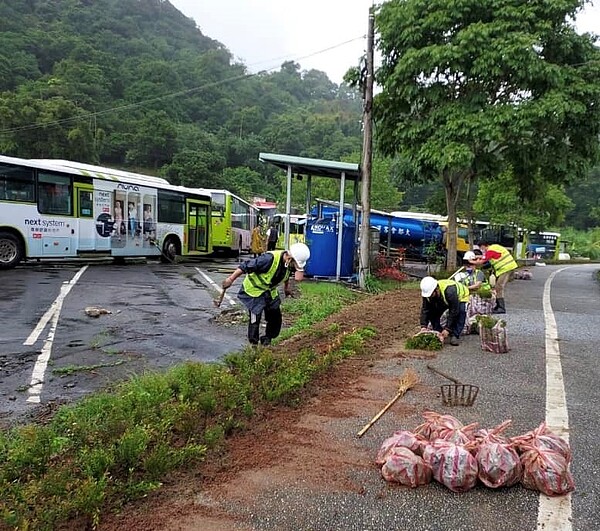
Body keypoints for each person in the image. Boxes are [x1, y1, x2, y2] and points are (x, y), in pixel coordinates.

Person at [221, 242, 311, 346]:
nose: (295, 267)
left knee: (275, 317)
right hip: (254, 290)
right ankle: (253, 344)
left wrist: (286, 289)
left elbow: (286, 275)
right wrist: (230, 279)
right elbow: (245, 266)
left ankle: (267, 339)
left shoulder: (289, 264)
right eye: (295, 264)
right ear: (289, 258)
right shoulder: (268, 259)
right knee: (255, 318)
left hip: (269, 291)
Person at [469, 240, 518, 314]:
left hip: (506, 268)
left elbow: (481, 262)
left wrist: (471, 261)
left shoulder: (490, 250)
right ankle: (498, 306)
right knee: (498, 287)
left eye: (481, 248)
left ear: (484, 245)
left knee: (499, 287)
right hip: (507, 268)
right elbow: (487, 257)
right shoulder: (494, 248)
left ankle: (501, 308)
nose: (482, 250)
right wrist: (477, 256)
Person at [419, 276, 469, 346]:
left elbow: (454, 311)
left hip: (461, 296)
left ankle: (455, 334)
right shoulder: (427, 294)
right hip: (444, 298)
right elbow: (425, 310)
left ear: (437, 289)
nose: (430, 297)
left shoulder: (450, 292)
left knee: (461, 311)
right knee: (433, 311)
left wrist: (447, 329)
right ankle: (438, 331)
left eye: (431, 295)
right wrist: (423, 326)